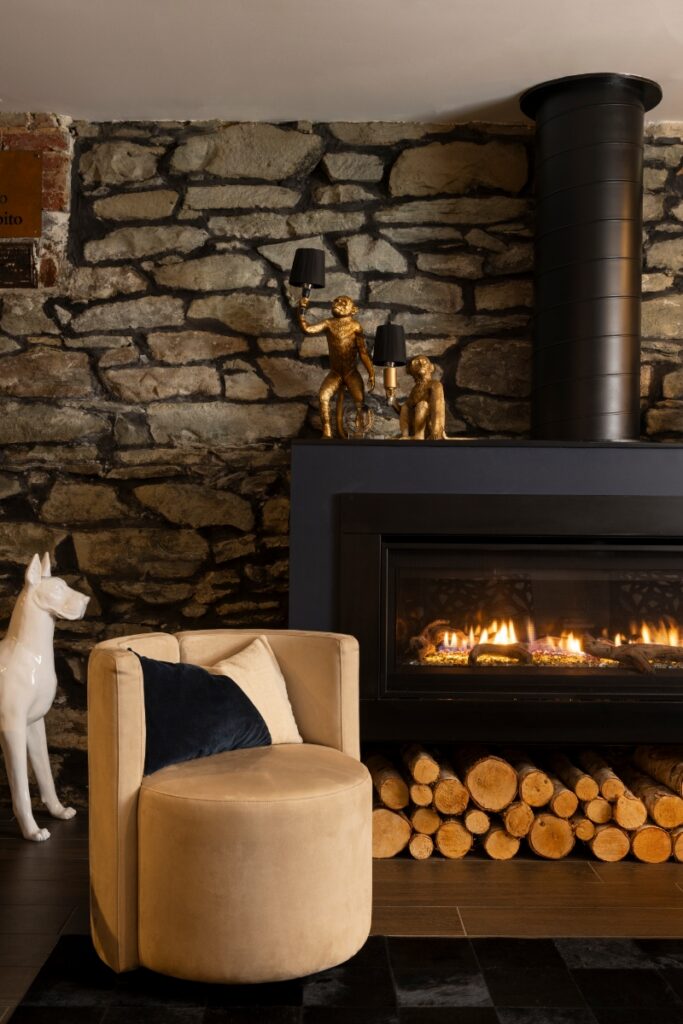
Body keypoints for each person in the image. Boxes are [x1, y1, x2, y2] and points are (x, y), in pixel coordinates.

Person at [297, 294, 375, 438]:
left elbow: (363, 353)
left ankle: (359, 432)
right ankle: (327, 431)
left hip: (351, 372)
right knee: (323, 397)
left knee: (359, 401)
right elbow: (307, 329)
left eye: (343, 302)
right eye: (336, 301)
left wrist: (371, 373)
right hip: (335, 373)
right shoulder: (329, 323)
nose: (338, 303)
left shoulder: (356, 326)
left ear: (353, 310)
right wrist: (301, 309)